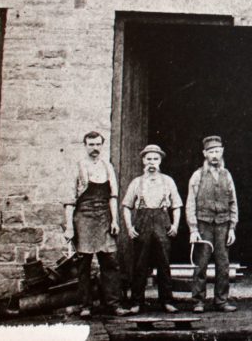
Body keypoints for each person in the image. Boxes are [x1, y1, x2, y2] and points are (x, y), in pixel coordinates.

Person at [63, 131, 128, 318]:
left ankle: (113, 304)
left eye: (98, 144)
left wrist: (115, 220)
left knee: (110, 261)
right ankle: (86, 305)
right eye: (91, 144)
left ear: (102, 145)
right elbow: (69, 201)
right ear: (85, 146)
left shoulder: (107, 167)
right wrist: (69, 226)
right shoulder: (78, 167)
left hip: (104, 218)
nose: (95, 148)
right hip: (83, 217)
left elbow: (113, 197)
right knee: (83, 264)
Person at [122, 144, 182, 314]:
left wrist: (175, 225)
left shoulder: (168, 181)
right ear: (143, 160)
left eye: (155, 159)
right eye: (148, 159)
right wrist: (129, 227)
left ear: (160, 161)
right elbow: (126, 206)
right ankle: (136, 302)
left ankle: (167, 301)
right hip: (143, 225)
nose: (152, 162)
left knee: (164, 264)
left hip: (163, 224)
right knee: (140, 265)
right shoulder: (136, 182)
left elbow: (177, 205)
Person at [186, 136, 239, 313]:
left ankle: (221, 301)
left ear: (222, 152)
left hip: (223, 224)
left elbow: (233, 202)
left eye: (217, 151)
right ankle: (198, 301)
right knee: (201, 263)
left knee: (223, 264)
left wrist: (232, 227)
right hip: (204, 224)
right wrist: (193, 228)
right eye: (211, 152)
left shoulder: (227, 175)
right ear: (205, 154)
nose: (214, 155)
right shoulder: (198, 175)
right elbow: (190, 202)